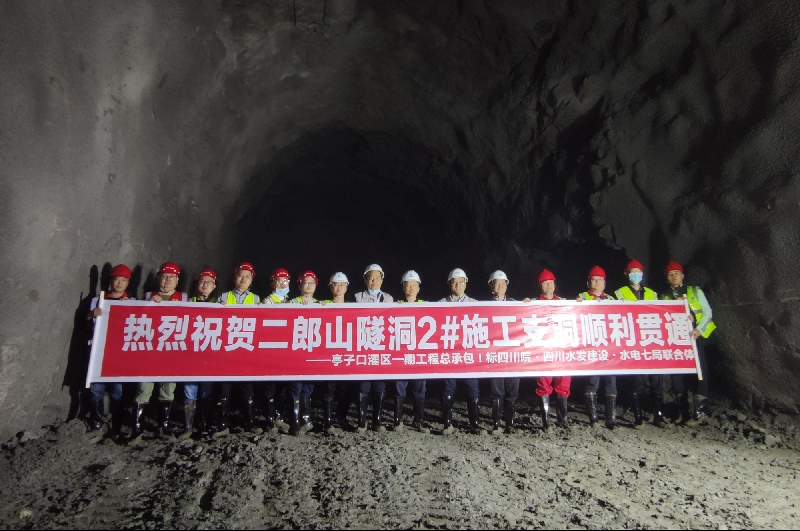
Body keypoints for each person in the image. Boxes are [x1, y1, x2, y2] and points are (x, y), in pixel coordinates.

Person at [130, 262, 188, 446]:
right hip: (150, 352)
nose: (168, 280)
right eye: (164, 276)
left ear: (177, 280)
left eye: (172, 277)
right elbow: (136, 318)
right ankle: (137, 429)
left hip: (171, 352)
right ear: (158, 278)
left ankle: (164, 427)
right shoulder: (149, 296)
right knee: (143, 389)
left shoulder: (184, 298)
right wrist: (147, 304)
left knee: (168, 389)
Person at [210, 263, 261, 437]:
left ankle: (249, 423)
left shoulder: (256, 299)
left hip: (245, 349)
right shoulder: (223, 297)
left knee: (247, 388)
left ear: (252, 280)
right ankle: (222, 425)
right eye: (240, 275)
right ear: (234, 277)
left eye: (247, 276)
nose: (243, 279)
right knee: (224, 388)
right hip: (226, 350)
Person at [661, 261, 716, 425]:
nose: (673, 276)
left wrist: (699, 328)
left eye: (676, 273)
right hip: (676, 340)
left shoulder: (694, 291)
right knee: (677, 373)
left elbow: (707, 312)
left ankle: (701, 412)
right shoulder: (664, 296)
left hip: (694, 337)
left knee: (700, 372)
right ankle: (681, 411)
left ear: (682, 275)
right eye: (670, 274)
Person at [614, 259, 665, 428]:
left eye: (638, 271)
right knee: (636, 380)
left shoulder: (651, 293)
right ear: (626, 274)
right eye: (632, 271)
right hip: (633, 341)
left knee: (656, 378)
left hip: (651, 340)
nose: (636, 274)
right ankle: (638, 417)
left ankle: (658, 416)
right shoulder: (619, 293)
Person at [85, 264, 134, 437]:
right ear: (111, 280)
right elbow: (85, 325)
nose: (119, 283)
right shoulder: (98, 300)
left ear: (128, 283)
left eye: (123, 280)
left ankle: (116, 426)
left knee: (117, 390)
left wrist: (129, 309)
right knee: (96, 389)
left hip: (118, 355)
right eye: (116, 279)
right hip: (98, 352)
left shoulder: (133, 302)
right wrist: (92, 315)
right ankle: (97, 424)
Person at [439, 268, 486, 435]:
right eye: (454, 282)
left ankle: (475, 423)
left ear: (466, 284)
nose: (458, 284)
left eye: (461, 281)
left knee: (473, 387)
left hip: (468, 354)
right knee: (448, 386)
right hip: (450, 353)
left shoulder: (475, 303)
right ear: (449, 284)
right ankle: (447, 423)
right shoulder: (441, 303)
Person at [525, 269, 571, 429]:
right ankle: (546, 421)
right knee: (543, 381)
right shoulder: (533, 302)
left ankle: (562, 418)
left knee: (564, 381)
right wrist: (524, 304)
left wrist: (579, 303)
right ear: (540, 286)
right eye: (545, 283)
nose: (549, 286)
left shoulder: (564, 302)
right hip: (542, 350)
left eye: (551, 283)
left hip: (561, 349)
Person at [353, 264, 394, 433]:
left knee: (380, 385)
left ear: (382, 280)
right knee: (364, 384)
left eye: (377, 278)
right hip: (364, 346)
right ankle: (362, 421)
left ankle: (377, 421)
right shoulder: (357, 297)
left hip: (382, 347)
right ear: (365, 280)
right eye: (370, 278)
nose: (374, 281)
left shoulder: (389, 299)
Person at [576, 265, 618, 429]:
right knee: (592, 381)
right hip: (591, 345)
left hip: (609, 346)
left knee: (611, 381)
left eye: (599, 279)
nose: (596, 282)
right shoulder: (582, 296)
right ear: (588, 282)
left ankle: (611, 418)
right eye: (593, 279)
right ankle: (593, 417)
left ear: (604, 282)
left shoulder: (611, 299)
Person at [180, 269, 217, 440]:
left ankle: (203, 425)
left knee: (206, 390)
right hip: (191, 355)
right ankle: (188, 426)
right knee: (189, 389)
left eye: (208, 282)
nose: (204, 284)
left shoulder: (219, 303)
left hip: (210, 355)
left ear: (214, 286)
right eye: (202, 281)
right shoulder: (187, 302)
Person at [394, 270, 429, 433]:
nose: (411, 288)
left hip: (420, 354)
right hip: (402, 354)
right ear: (403, 287)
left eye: (414, 285)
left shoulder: (426, 304)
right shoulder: (396, 305)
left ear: (419, 287)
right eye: (408, 285)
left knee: (420, 387)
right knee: (400, 386)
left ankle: (418, 420)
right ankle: (398, 420)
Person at [319, 272, 354, 434]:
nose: (338, 287)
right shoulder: (323, 305)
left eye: (341, 284)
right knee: (329, 388)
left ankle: (341, 417)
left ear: (346, 287)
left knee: (346, 388)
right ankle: (328, 421)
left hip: (346, 353)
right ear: (330, 287)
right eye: (335, 284)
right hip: (329, 353)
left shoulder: (354, 307)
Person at [287, 270, 321, 435]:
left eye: (312, 283)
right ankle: (294, 422)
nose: (309, 285)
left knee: (308, 386)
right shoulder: (291, 302)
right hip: (296, 352)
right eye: (305, 282)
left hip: (312, 351)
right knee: (295, 386)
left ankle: (306, 419)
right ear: (299, 285)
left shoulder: (320, 304)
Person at [259, 268, 292, 432]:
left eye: (285, 281)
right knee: (269, 386)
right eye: (279, 281)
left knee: (282, 387)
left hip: (285, 350)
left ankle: (280, 417)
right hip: (271, 349)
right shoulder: (267, 301)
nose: (283, 284)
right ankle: (269, 418)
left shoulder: (290, 302)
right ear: (272, 283)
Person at [486, 270, 519, 435]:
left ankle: (510, 423)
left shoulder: (515, 304)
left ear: (507, 285)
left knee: (513, 390)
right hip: (495, 355)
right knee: (496, 391)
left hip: (512, 355)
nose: (500, 286)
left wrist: (528, 304)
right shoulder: (484, 306)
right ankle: (496, 423)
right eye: (496, 283)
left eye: (502, 283)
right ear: (491, 285)